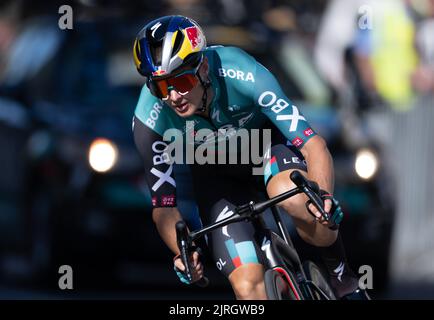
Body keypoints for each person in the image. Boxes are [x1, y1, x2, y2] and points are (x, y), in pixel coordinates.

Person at [132, 15, 369, 300]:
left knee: (298, 201)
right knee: (247, 286)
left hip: (265, 148)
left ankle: (341, 277)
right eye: (160, 87)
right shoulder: (149, 117)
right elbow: (164, 207)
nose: (172, 96)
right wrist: (183, 251)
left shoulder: (239, 70)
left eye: (181, 81)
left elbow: (313, 144)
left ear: (203, 67)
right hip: (215, 174)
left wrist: (324, 198)